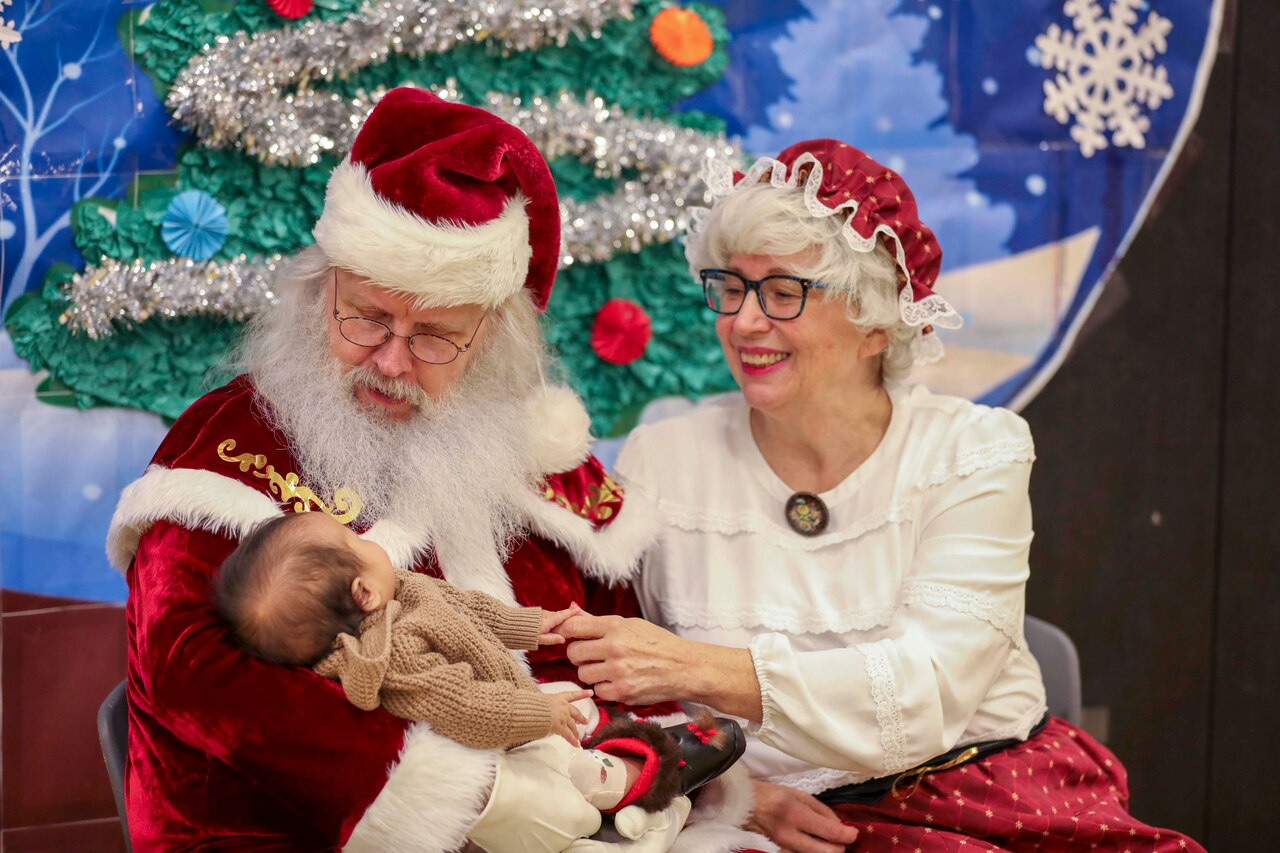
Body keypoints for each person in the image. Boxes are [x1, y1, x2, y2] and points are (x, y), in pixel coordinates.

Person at [107, 88, 765, 852]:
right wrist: (475, 799)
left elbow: (630, 648)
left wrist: (703, 782)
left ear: (489, 339)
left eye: (434, 337)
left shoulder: (533, 459)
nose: (389, 361)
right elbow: (188, 668)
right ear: (322, 292)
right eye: (366, 318)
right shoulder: (231, 448)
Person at [558, 139, 1207, 852]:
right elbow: (601, 684)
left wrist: (698, 667)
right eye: (732, 286)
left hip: (977, 794)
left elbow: (927, 690)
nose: (743, 321)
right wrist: (736, 793)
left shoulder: (972, 450)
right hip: (763, 824)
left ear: (875, 321)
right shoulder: (665, 458)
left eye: (783, 292)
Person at [215, 510, 743, 825]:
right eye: (354, 541)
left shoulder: (406, 589)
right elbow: (463, 705)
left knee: (568, 698)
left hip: (512, 691)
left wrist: (532, 628)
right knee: (563, 772)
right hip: (504, 735)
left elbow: (472, 608)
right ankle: (639, 780)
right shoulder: (397, 660)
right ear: (363, 593)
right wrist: (535, 713)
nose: (366, 536)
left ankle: (617, 738)